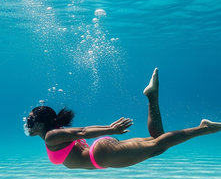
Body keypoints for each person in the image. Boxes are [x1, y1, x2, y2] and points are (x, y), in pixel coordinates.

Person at [23, 68, 221, 170]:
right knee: (157, 143)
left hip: (101, 156)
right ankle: (152, 96)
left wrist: (111, 130)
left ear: (40, 123)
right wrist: (109, 129)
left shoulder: (51, 137)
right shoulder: (55, 135)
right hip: (101, 153)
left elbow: (82, 132)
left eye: (30, 120)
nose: (27, 124)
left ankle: (203, 128)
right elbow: (83, 130)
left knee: (159, 145)